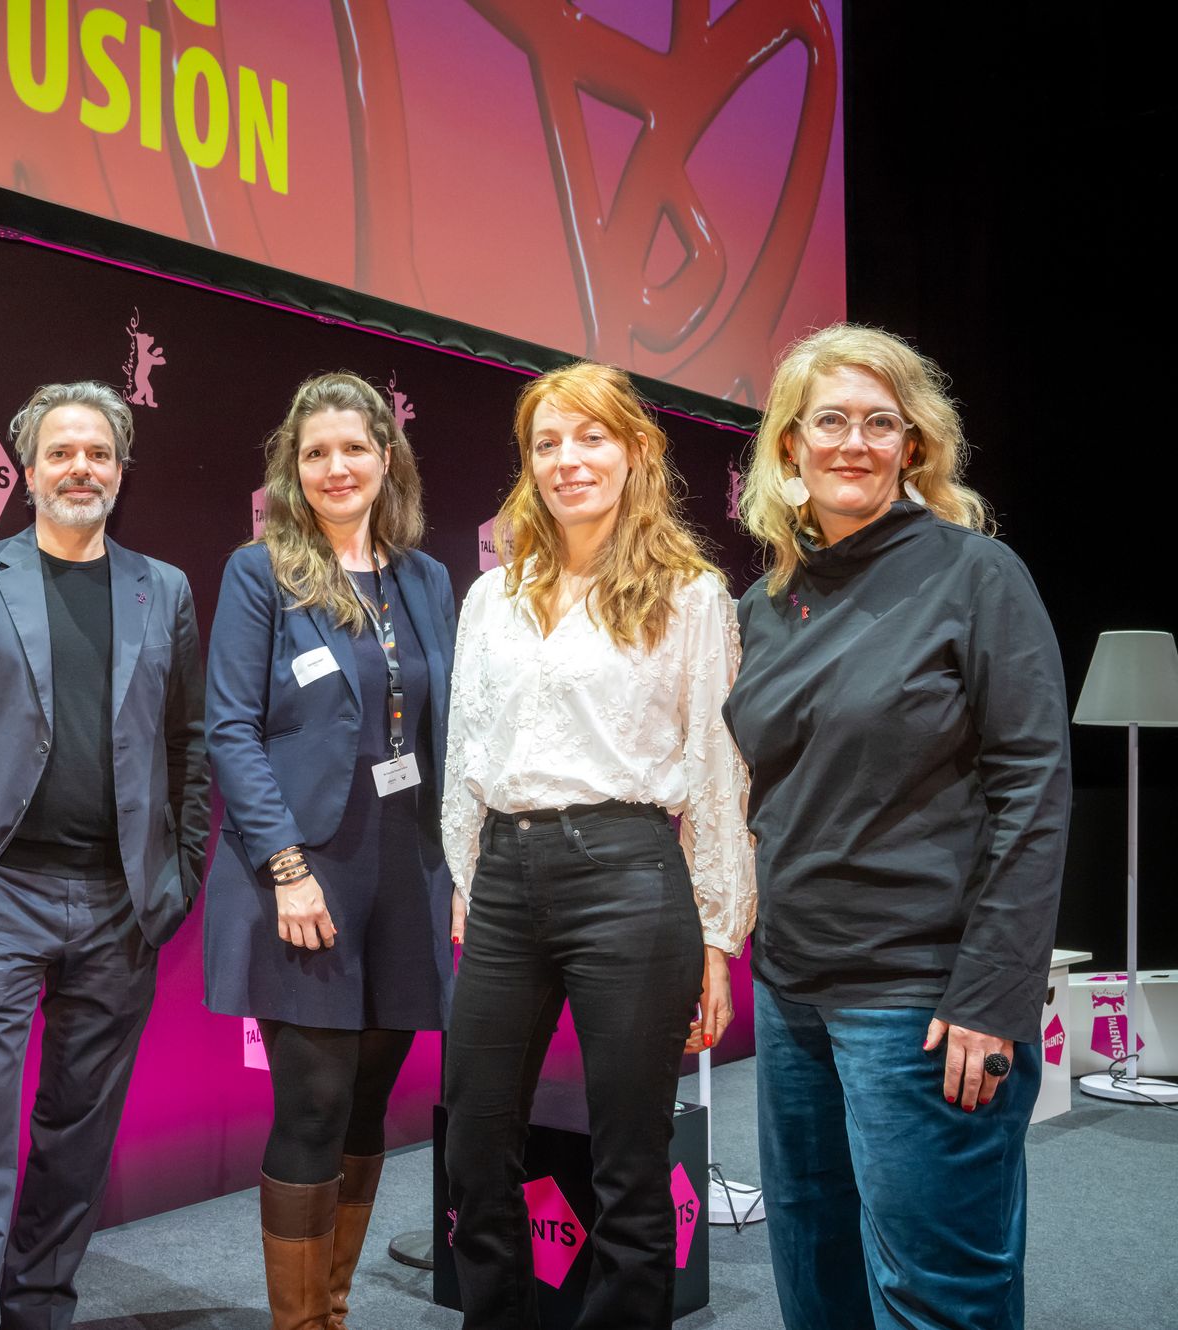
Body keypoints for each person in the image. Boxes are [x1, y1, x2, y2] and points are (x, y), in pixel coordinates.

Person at [725, 324, 1070, 1330]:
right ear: (788, 445)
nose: (853, 442)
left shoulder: (974, 577)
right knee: (818, 1287)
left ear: (911, 447)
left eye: (881, 424)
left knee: (935, 1302)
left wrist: (994, 995)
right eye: (828, 420)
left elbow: (1033, 790)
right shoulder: (765, 602)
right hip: (791, 994)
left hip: (924, 1002)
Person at [441, 361, 754, 1329]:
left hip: (629, 877)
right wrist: (466, 873)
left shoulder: (691, 593)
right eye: (546, 442)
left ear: (634, 451)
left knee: (628, 1164)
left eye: (589, 437)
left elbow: (714, 766)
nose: (566, 460)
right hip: (504, 879)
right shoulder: (491, 595)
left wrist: (714, 931)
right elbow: (463, 748)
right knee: (473, 1147)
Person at [0, 380, 211, 1330]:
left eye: (100, 454)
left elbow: (190, 746)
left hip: (121, 905)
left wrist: (181, 874)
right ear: (27, 470)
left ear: (121, 470)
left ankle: (39, 1305)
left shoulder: (166, 590)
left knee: (78, 1135)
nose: (82, 469)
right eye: (62, 453)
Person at [202, 371, 457, 1329]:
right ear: (291, 470)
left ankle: (334, 1307)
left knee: (365, 1101)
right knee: (311, 1100)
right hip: (302, 872)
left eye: (354, 448)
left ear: (385, 458)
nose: (336, 467)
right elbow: (230, 728)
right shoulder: (259, 571)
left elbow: (449, 729)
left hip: (404, 870)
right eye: (315, 453)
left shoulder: (425, 579)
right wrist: (287, 869)